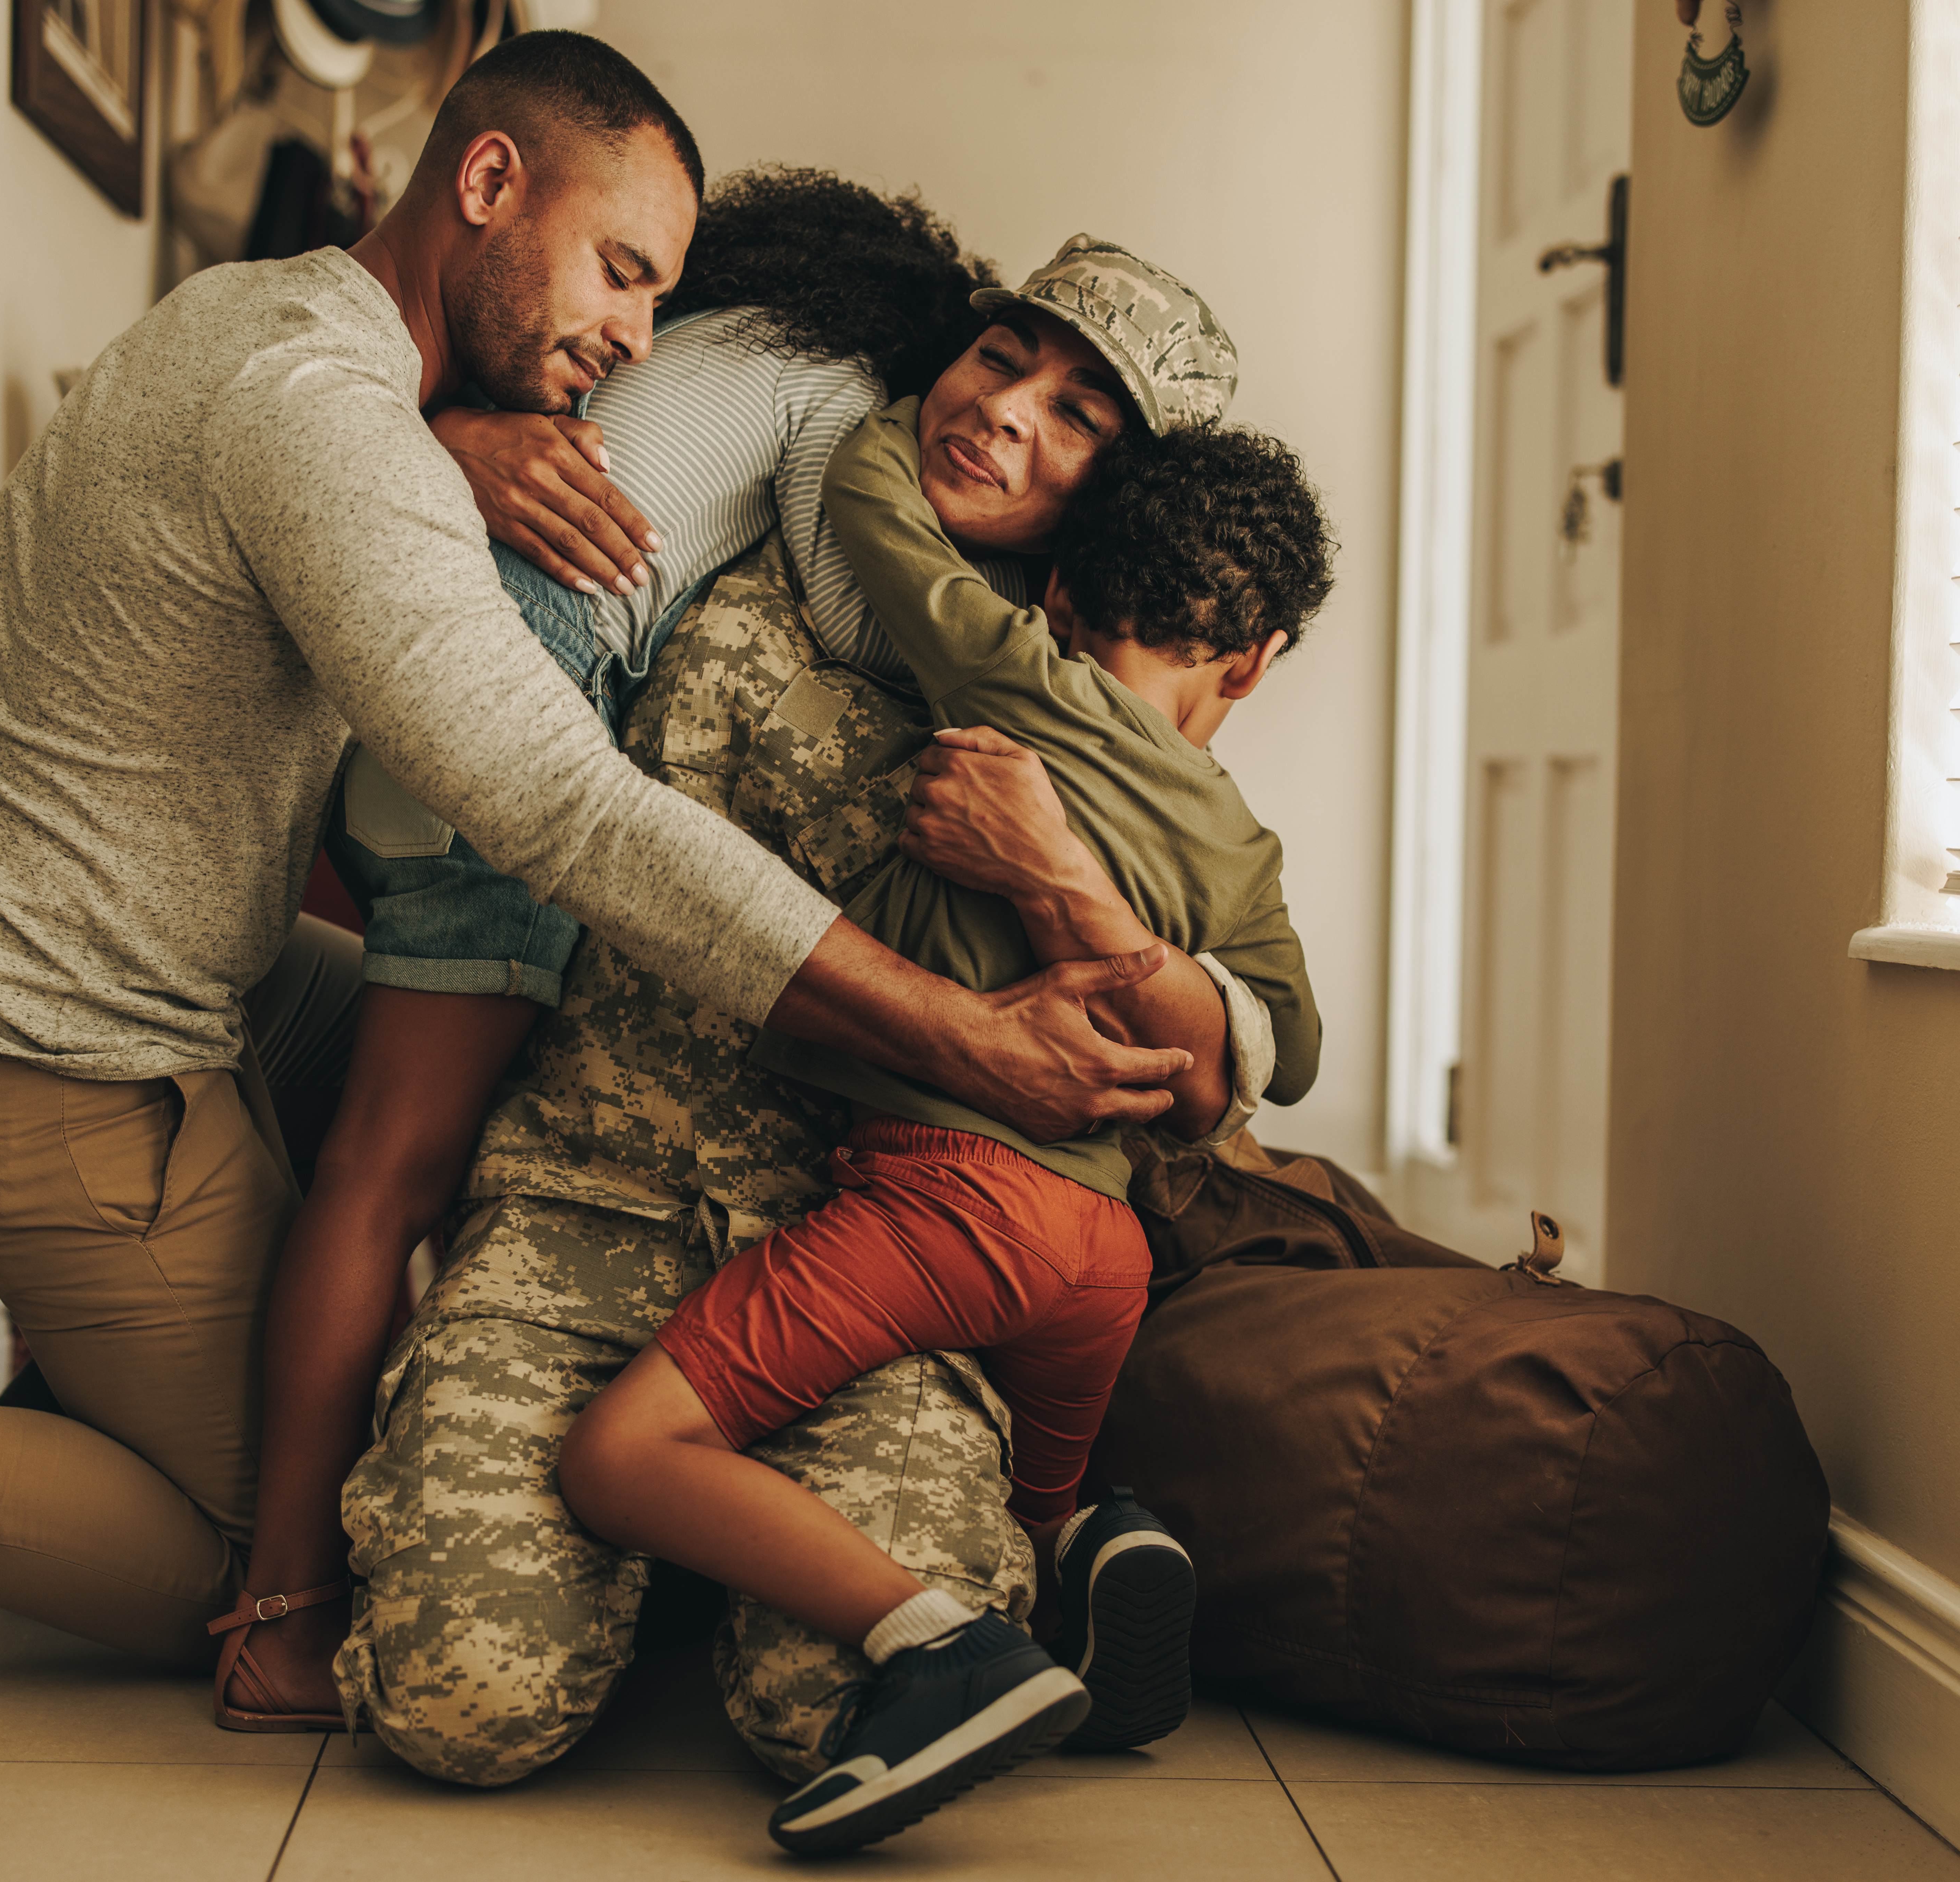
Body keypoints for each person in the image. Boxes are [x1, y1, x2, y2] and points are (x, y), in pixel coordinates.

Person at [0, 33, 1188, 1713]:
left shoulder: (279, 321)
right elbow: (562, 803)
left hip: (174, 970)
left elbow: (333, 465)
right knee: (302, 1533)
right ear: (485, 184)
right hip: (6, 1030)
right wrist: (955, 1035)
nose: (630, 340)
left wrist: (453, 436)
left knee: (496, 1086)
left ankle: (145, 1376)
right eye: (619, 275)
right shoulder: (319, 414)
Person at [317, 243, 1322, 1797]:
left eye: (1077, 420)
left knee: (835, 1705)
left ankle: (793, 1569)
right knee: (462, 1704)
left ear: (1122, 506)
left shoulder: (1066, 698)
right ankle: (656, 1565)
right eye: (999, 362)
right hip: (583, 1202)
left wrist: (1059, 875)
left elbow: (1219, 1067)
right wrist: (462, 436)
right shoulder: (730, 526)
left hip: (866, 1251)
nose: (1000, 417)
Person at [216, 167, 1043, 1730]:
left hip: (392, 739)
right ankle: (288, 1608)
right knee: (394, 1170)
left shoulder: (682, 350)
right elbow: (844, 584)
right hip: (513, 733)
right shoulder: (836, 396)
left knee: (374, 1174)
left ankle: (314, 1577)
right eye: (982, 369)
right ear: (919, 338)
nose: (983, 421)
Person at [559, 318, 1336, 1856]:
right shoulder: (1240, 845)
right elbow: (1285, 1052)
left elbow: (867, 494)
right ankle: (1083, 1552)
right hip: (1101, 1263)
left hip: (950, 1199)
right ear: (1254, 660)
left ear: (1052, 586)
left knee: (618, 1454)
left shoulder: (1013, 673)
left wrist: (919, 385)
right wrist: (1159, 966)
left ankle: (942, 1647)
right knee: (1027, 1504)